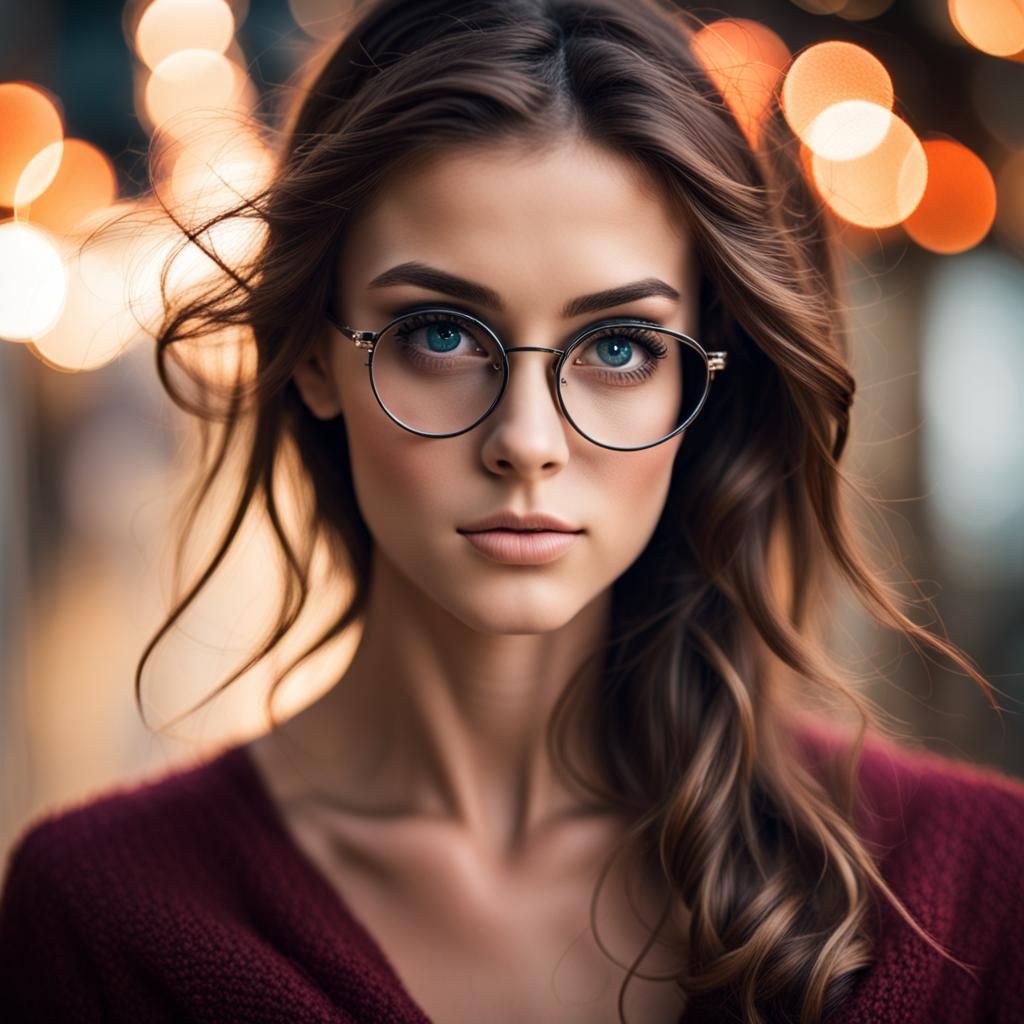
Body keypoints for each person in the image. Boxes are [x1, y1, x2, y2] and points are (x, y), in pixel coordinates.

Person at [2, 1, 1023, 1021]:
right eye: (442, 334)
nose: (527, 440)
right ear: (315, 352)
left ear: (699, 382)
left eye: (618, 345)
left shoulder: (980, 894)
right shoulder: (105, 913)